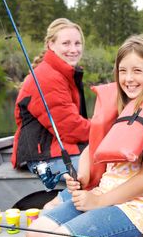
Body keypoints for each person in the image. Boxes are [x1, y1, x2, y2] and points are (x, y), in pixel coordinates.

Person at [25, 34, 143, 237]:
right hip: (103, 194)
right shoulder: (120, 107)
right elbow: (91, 150)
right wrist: (83, 176)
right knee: (34, 235)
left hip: (139, 207)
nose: (128, 79)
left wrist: (99, 202)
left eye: (137, 71)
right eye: (122, 70)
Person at [11, 18, 90, 201]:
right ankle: (58, 207)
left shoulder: (62, 73)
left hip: (56, 147)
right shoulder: (47, 77)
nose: (73, 49)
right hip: (40, 158)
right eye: (66, 43)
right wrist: (106, 130)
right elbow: (70, 128)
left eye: (77, 43)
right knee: (101, 170)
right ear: (51, 45)